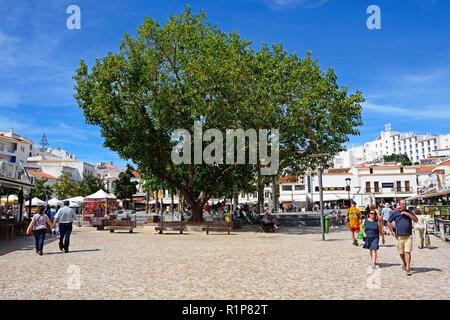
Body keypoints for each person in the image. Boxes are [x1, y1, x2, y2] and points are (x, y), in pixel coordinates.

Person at [387, 199, 418, 276]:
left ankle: (408, 267)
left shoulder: (410, 212)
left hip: (408, 236)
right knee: (401, 253)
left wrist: (407, 214)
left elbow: (416, 220)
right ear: (399, 205)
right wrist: (392, 231)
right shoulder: (395, 213)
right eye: (402, 204)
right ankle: (404, 263)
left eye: (405, 204)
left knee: (407, 251)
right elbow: (388, 221)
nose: (404, 205)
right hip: (399, 236)